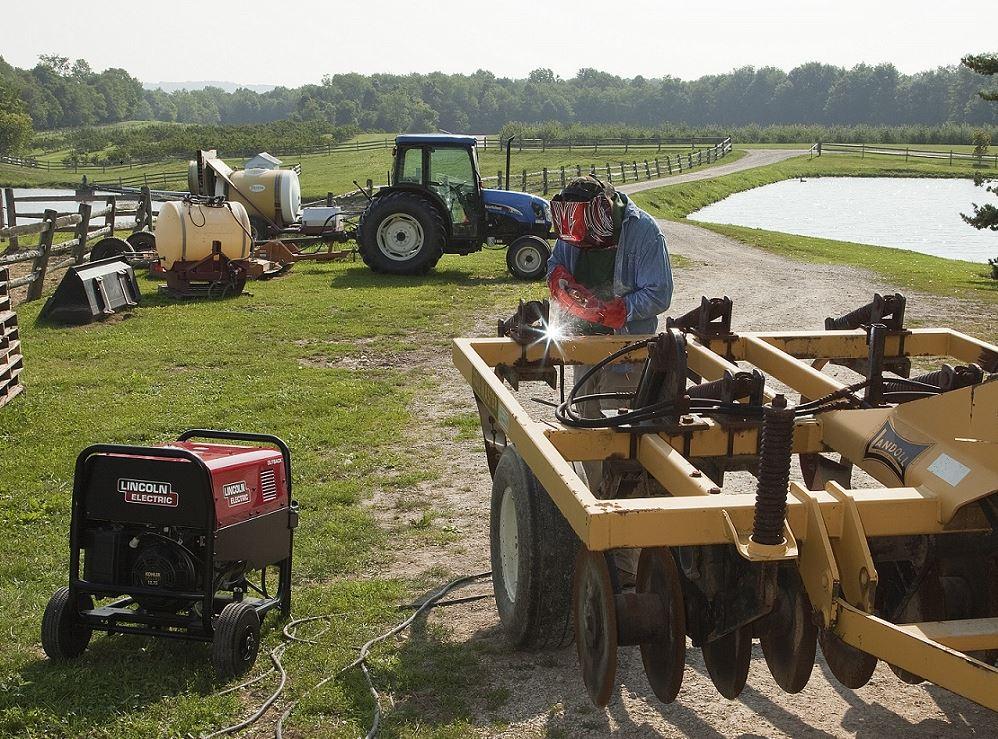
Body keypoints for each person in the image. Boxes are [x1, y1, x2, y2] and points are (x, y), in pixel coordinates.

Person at [546, 176, 673, 579]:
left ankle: (628, 554)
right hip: (584, 346)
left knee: (624, 438)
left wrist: (616, 310)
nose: (581, 244)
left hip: (626, 351)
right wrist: (559, 280)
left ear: (604, 213)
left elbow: (660, 293)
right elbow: (556, 262)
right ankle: (597, 513)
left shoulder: (644, 232)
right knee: (583, 426)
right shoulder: (573, 225)